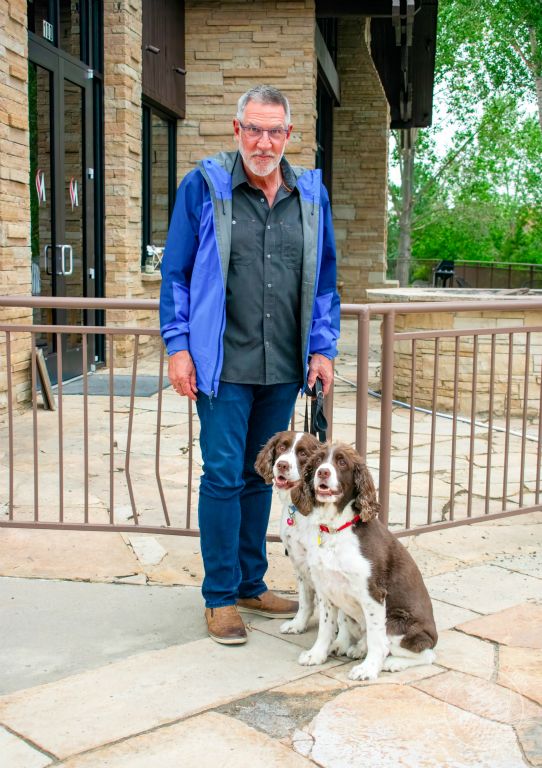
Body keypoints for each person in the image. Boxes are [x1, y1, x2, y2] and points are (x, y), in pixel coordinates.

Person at [160, 84, 340, 645]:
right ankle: (219, 597)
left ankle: (249, 583)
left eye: (275, 131)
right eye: (254, 130)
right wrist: (178, 346)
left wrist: (322, 348)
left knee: (262, 474)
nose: (264, 142)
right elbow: (176, 274)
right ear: (237, 130)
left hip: (282, 364)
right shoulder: (204, 186)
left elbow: (324, 280)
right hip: (221, 365)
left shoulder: (309, 195)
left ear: (289, 135)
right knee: (221, 475)